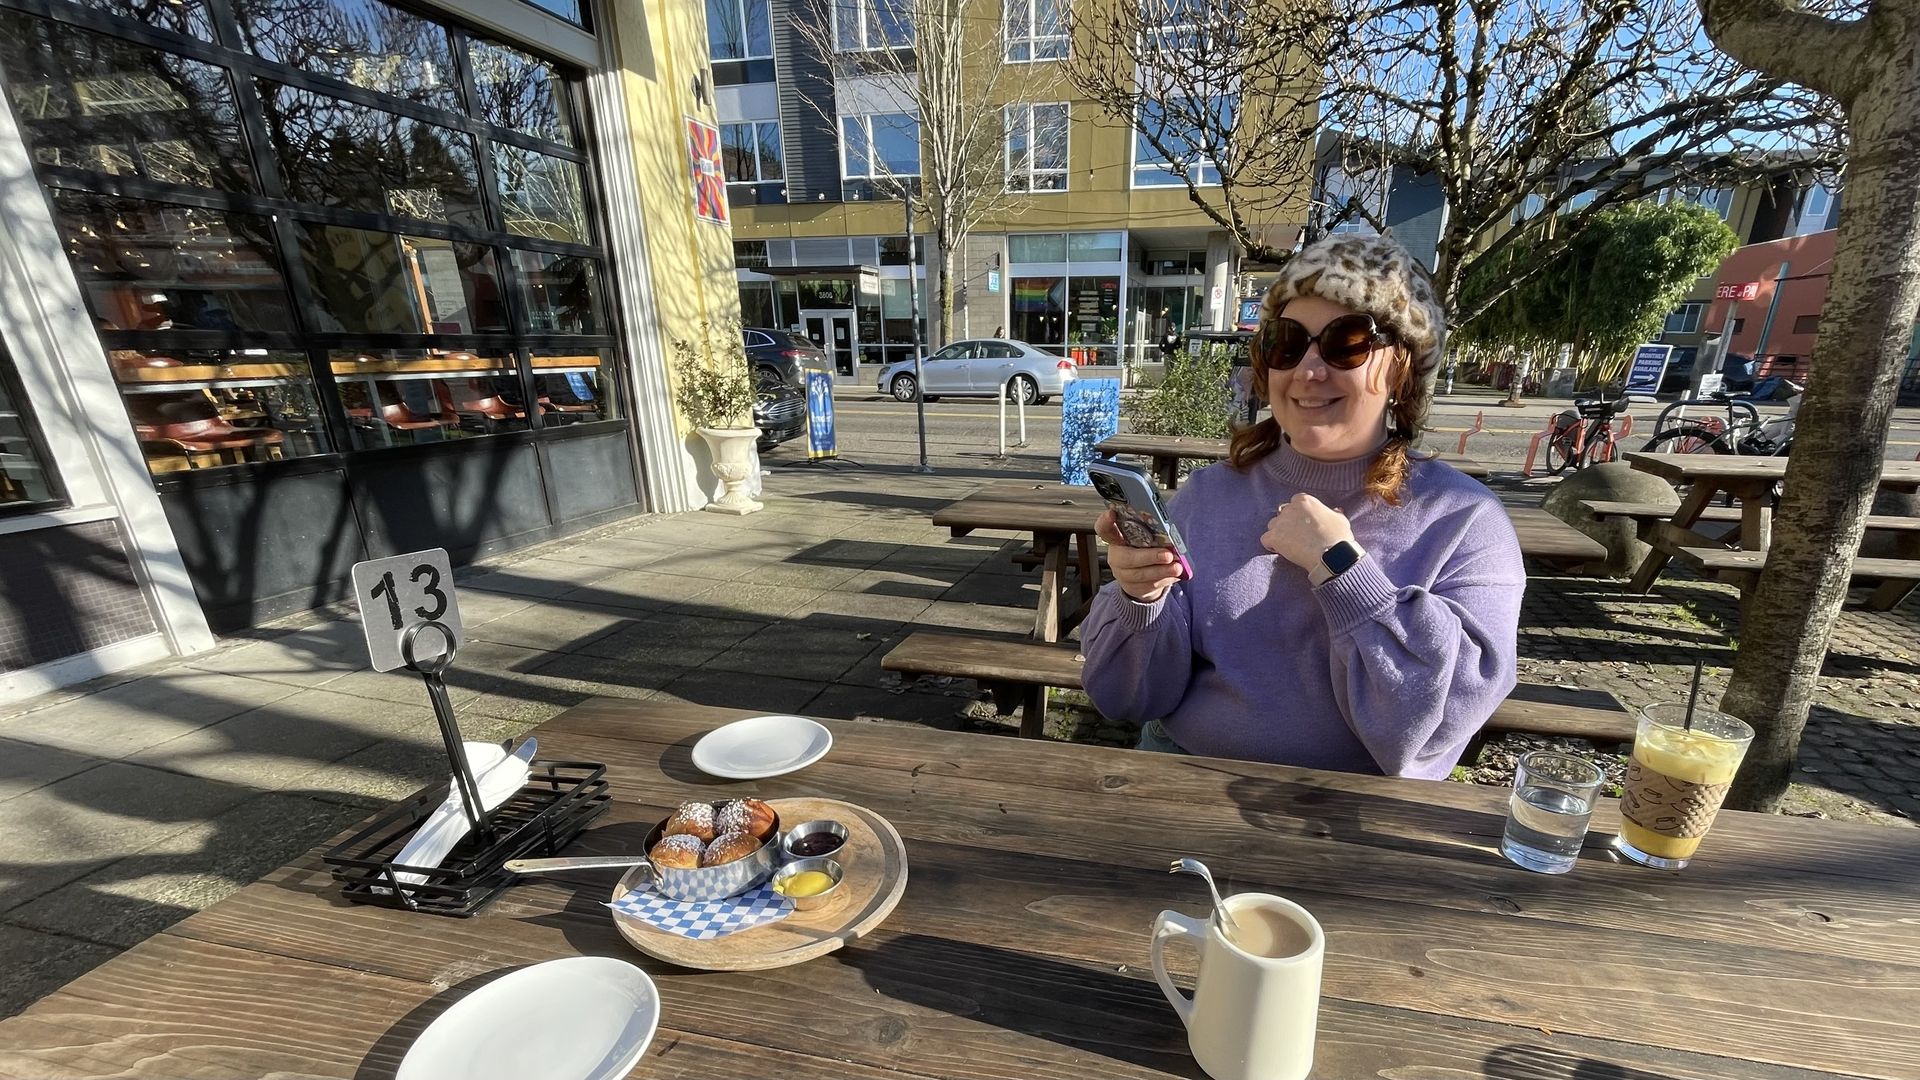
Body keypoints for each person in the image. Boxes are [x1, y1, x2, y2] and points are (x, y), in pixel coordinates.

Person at [1080, 233, 1523, 779]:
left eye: (1347, 342)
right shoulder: (1206, 495)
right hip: (1185, 776)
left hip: (1358, 808)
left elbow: (1433, 728)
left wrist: (1342, 568)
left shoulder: (1465, 520)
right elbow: (1127, 700)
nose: (1309, 370)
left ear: (1403, 368)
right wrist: (1139, 597)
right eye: (1288, 343)